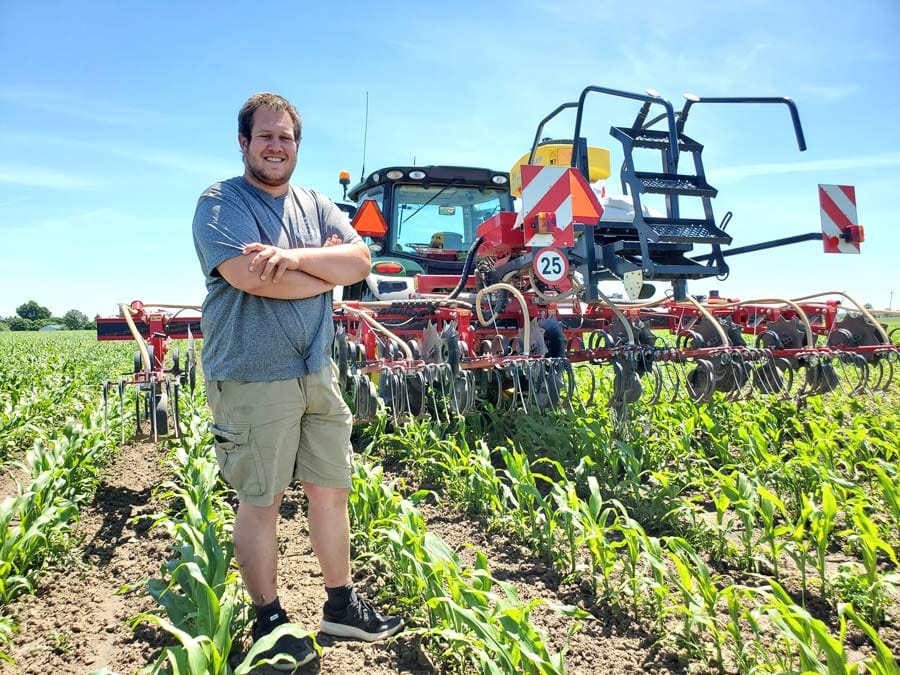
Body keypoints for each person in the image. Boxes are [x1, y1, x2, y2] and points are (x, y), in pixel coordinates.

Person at [192, 92, 402, 670]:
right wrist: (320, 270)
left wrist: (293, 260)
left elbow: (360, 263)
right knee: (261, 499)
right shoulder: (221, 203)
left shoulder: (314, 203)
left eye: (286, 137)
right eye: (265, 136)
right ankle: (270, 622)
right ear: (244, 142)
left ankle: (341, 605)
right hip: (253, 374)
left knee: (331, 489)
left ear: (297, 144)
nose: (276, 146)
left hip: (317, 369)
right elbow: (249, 278)